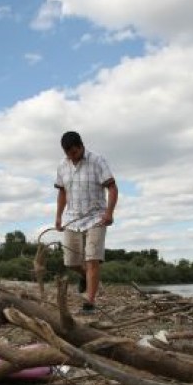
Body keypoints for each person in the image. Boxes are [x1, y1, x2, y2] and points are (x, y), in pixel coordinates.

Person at [54, 131, 118, 314]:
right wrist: (58, 216)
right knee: (71, 261)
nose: (71, 157)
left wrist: (109, 213)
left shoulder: (97, 161)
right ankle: (84, 276)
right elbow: (62, 192)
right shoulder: (62, 165)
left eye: (74, 152)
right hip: (72, 218)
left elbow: (112, 187)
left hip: (96, 217)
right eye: (68, 154)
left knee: (92, 259)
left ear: (81, 146)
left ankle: (89, 302)